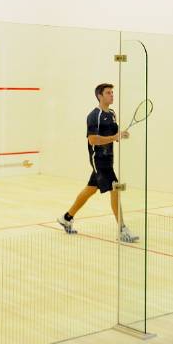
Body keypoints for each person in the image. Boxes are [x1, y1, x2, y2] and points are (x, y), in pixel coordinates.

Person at [57, 83, 139, 242]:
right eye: (108, 93)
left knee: (91, 189)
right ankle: (122, 229)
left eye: (112, 92)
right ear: (100, 96)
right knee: (115, 187)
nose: (112, 95)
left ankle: (66, 218)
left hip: (109, 158)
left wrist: (120, 135)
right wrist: (114, 137)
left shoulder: (112, 114)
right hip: (98, 159)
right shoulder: (94, 115)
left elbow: (113, 133)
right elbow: (92, 139)